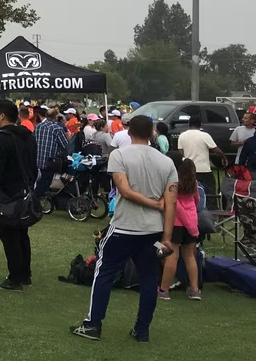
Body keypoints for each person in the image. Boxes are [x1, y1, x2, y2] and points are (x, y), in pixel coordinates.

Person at [72, 115, 177, 342]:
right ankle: (142, 330)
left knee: (104, 272)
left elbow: (125, 191)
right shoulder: (166, 162)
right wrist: (167, 237)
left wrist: (154, 205)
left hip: (123, 228)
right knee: (148, 278)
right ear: (152, 134)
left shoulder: (119, 155)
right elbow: (171, 203)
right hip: (153, 231)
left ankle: (93, 324)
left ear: (128, 133)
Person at [0, 100, 38, 291]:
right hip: (25, 188)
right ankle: (25, 274)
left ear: (2, 115)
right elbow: (33, 162)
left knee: (9, 236)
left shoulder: (2, 136)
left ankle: (15, 278)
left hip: (7, 192)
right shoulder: (28, 134)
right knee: (22, 233)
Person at [158, 159, 203, 302]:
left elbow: (174, 204)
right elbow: (197, 200)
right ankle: (195, 290)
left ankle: (164, 290)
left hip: (175, 223)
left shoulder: (173, 184)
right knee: (190, 256)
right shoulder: (194, 183)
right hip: (192, 223)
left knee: (172, 257)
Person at [177, 116, 222, 201]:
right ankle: (211, 207)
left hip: (189, 170)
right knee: (209, 193)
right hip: (204, 169)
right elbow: (215, 149)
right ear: (200, 124)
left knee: (190, 192)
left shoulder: (182, 136)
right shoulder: (204, 135)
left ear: (189, 124)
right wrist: (223, 157)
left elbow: (180, 151)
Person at [33, 104, 68, 203]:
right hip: (50, 160)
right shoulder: (57, 128)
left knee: (40, 182)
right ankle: (35, 200)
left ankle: (36, 198)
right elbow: (65, 145)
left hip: (37, 159)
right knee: (45, 182)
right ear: (56, 116)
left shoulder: (38, 126)